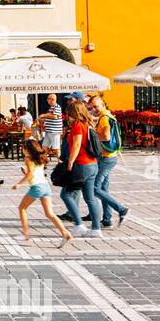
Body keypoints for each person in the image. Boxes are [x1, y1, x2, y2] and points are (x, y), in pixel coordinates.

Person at [12, 139, 73, 245]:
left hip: (37, 187)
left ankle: (26, 235)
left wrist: (19, 184)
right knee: (49, 213)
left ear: (27, 149)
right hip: (45, 186)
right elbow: (34, 173)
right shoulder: (40, 158)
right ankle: (65, 233)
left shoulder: (28, 159)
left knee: (22, 208)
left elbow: (31, 174)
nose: (22, 150)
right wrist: (26, 173)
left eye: (23, 147)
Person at [60, 99, 102, 238]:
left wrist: (70, 162)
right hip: (92, 164)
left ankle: (79, 224)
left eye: (68, 112)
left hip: (82, 164)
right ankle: (96, 228)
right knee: (90, 198)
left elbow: (77, 145)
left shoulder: (78, 125)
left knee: (65, 194)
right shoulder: (88, 123)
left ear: (74, 112)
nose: (67, 115)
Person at [89, 94, 129, 228]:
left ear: (102, 105)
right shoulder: (108, 115)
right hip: (109, 156)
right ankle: (107, 219)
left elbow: (106, 136)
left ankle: (121, 209)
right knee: (104, 189)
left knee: (94, 188)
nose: (94, 109)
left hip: (106, 157)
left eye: (96, 106)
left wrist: (93, 133)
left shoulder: (105, 118)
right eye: (92, 107)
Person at [39, 94, 64, 158]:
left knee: (56, 148)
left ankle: (60, 163)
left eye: (48, 99)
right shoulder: (51, 108)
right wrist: (42, 120)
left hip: (54, 131)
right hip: (49, 131)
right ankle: (44, 162)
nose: (47, 100)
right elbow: (50, 117)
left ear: (52, 99)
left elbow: (55, 116)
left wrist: (44, 115)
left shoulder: (57, 107)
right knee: (44, 146)